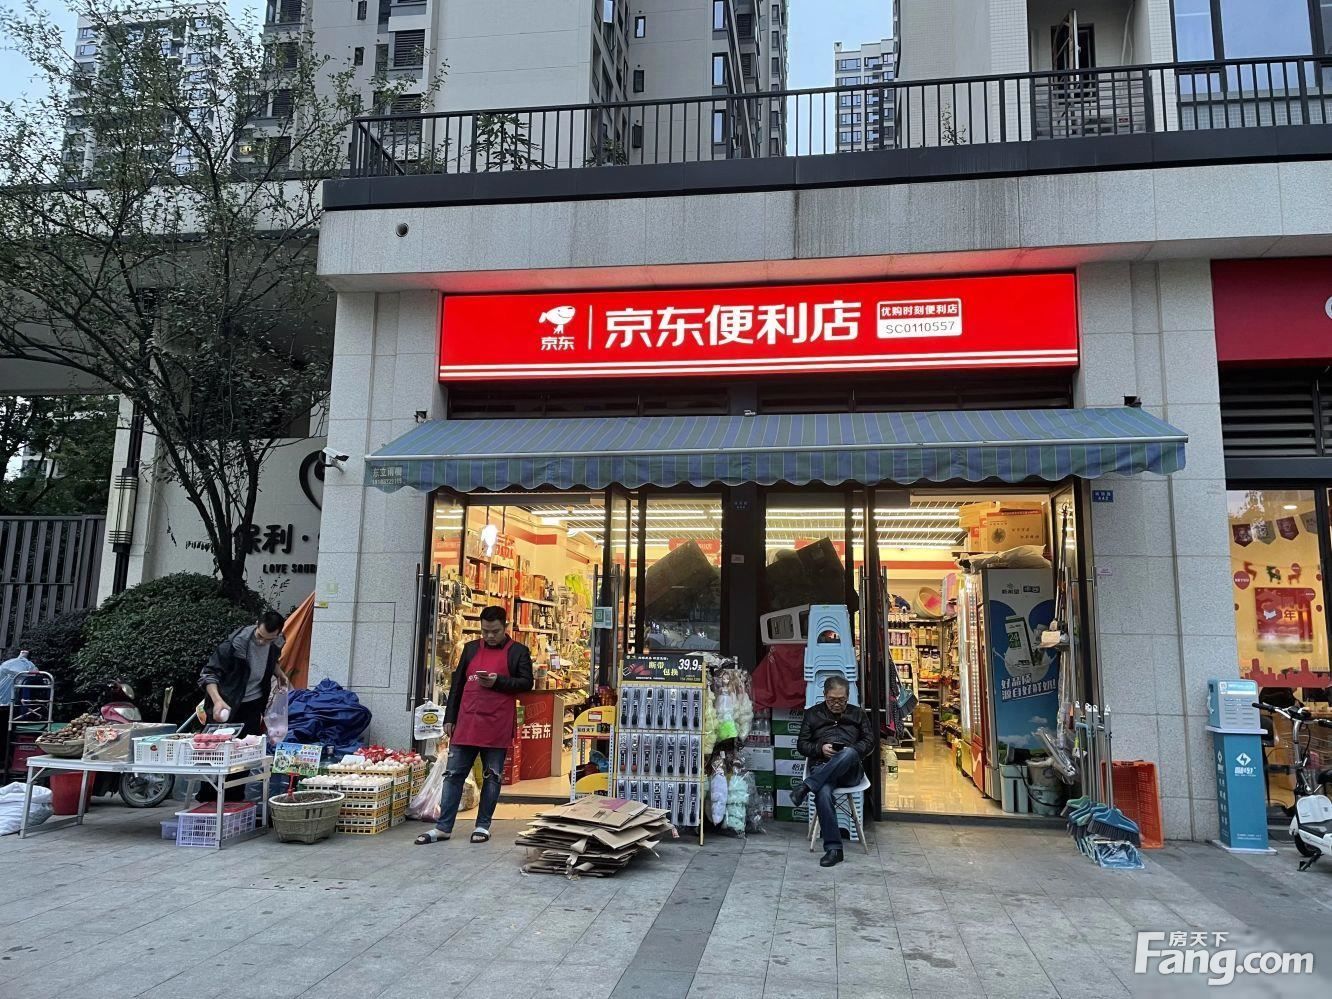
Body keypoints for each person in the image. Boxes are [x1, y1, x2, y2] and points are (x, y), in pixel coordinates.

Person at [416, 605, 532, 845]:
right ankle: (443, 827)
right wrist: (450, 717)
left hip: (497, 723)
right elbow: (457, 684)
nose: (489, 636)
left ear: (505, 627)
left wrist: (498, 682)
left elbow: (526, 683)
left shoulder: (518, 652)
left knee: (492, 776)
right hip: (467, 721)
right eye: (485, 631)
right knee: (453, 775)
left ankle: (482, 825)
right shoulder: (470, 649)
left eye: (495, 631)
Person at [198, 610, 286, 801]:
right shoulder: (234, 645)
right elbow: (208, 674)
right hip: (226, 705)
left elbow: (272, 660)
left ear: (278, 634)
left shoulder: (276, 642)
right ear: (256, 624)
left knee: (245, 756)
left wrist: (279, 673)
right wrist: (217, 700)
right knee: (216, 756)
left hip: (253, 705)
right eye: (260, 636)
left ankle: (234, 802)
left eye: (269, 639)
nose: (262, 642)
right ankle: (207, 801)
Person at [791, 675, 876, 868]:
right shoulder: (812, 714)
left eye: (841, 700)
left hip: (850, 771)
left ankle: (806, 786)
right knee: (823, 792)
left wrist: (850, 752)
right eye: (832, 700)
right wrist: (820, 749)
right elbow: (802, 745)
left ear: (848, 696)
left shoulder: (858, 714)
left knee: (849, 753)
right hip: (822, 766)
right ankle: (834, 849)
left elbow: (869, 742)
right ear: (824, 695)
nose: (837, 704)